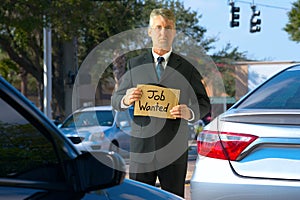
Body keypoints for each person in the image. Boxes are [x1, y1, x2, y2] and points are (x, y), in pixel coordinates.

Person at [111, 8, 211, 198]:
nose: (163, 32)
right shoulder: (135, 64)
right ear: (150, 31)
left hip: (174, 150)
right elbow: (116, 100)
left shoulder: (187, 67)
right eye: (158, 27)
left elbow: (204, 104)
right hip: (142, 149)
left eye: (168, 28)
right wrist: (126, 98)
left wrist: (189, 112)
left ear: (174, 32)